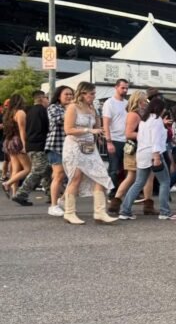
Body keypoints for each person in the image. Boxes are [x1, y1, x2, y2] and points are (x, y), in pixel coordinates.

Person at [62, 82, 118, 225]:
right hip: (74, 145)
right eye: (91, 93)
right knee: (76, 178)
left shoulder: (92, 108)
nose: (94, 96)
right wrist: (88, 130)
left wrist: (101, 133)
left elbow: (97, 127)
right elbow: (68, 130)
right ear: (82, 93)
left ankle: (100, 212)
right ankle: (69, 213)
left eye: (94, 93)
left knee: (101, 176)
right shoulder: (72, 107)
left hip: (90, 147)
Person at [119, 96, 176, 220]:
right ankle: (165, 211)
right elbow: (155, 139)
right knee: (165, 182)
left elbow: (140, 137)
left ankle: (125, 210)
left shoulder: (144, 120)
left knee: (138, 182)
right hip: (153, 153)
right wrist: (156, 157)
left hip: (142, 153)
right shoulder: (156, 120)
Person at [108, 90, 154, 215]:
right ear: (139, 101)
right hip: (135, 149)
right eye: (145, 100)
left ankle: (117, 202)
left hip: (138, 148)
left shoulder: (138, 113)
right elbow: (128, 133)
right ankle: (117, 202)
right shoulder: (134, 115)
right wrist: (145, 134)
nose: (146, 103)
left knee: (142, 176)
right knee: (135, 176)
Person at [12, 90, 50, 206]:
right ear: (41, 98)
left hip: (30, 145)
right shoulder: (42, 111)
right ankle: (21, 194)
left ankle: (52, 194)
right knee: (38, 171)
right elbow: (47, 128)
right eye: (46, 98)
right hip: (39, 144)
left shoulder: (28, 111)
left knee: (47, 171)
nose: (48, 100)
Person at [44, 85, 74, 216]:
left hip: (71, 147)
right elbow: (58, 119)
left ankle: (61, 200)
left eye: (71, 94)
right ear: (59, 96)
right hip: (56, 145)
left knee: (74, 176)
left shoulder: (72, 108)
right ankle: (53, 205)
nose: (69, 97)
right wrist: (70, 110)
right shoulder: (53, 107)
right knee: (59, 175)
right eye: (66, 94)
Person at [102, 78, 129, 196]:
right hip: (114, 139)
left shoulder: (126, 103)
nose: (125, 90)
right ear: (116, 87)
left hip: (126, 139)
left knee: (126, 167)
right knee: (114, 168)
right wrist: (108, 141)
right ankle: (112, 192)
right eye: (123, 88)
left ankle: (122, 191)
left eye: (126, 88)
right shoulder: (109, 103)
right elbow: (106, 123)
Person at [1, 95, 30, 200]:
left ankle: (14, 193)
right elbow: (22, 130)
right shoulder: (20, 113)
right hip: (17, 142)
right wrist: (24, 145)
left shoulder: (8, 113)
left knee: (16, 168)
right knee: (28, 169)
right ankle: (7, 183)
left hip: (8, 141)